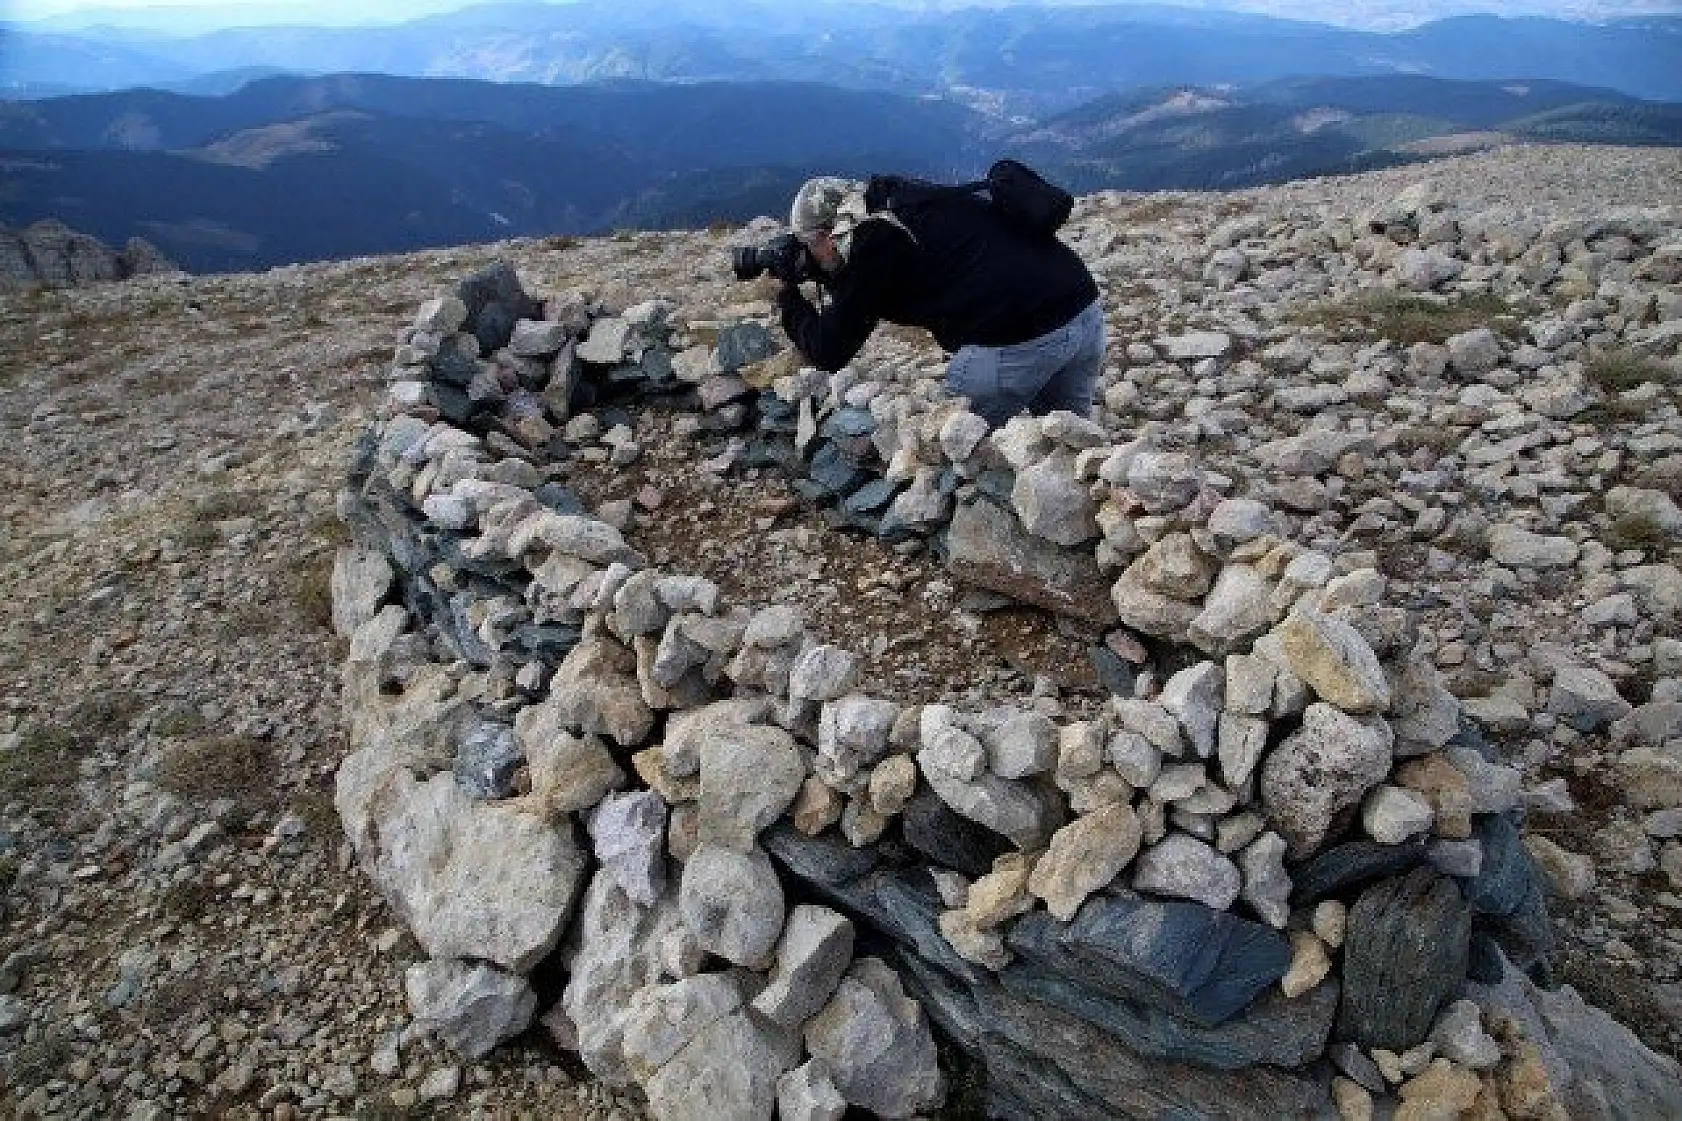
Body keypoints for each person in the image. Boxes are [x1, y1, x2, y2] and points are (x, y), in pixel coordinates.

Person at [773, 174, 1105, 429]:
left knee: (954, 444)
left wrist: (788, 294)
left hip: (1022, 339)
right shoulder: (900, 199)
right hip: (1083, 308)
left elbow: (828, 350)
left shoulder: (870, 242)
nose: (809, 254)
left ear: (829, 236)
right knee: (1068, 439)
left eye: (809, 244)